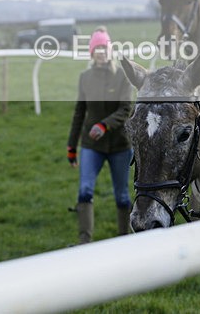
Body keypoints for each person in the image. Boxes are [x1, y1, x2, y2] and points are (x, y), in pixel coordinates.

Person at [67, 26, 134, 244]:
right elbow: (79, 112)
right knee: (85, 190)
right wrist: (71, 147)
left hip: (120, 146)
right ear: (91, 52)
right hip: (91, 145)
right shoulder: (85, 77)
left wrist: (104, 126)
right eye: (98, 48)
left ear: (110, 50)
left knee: (122, 195)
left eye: (105, 47)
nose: (102, 52)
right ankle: (84, 243)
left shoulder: (123, 76)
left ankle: (125, 241)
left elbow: (126, 109)